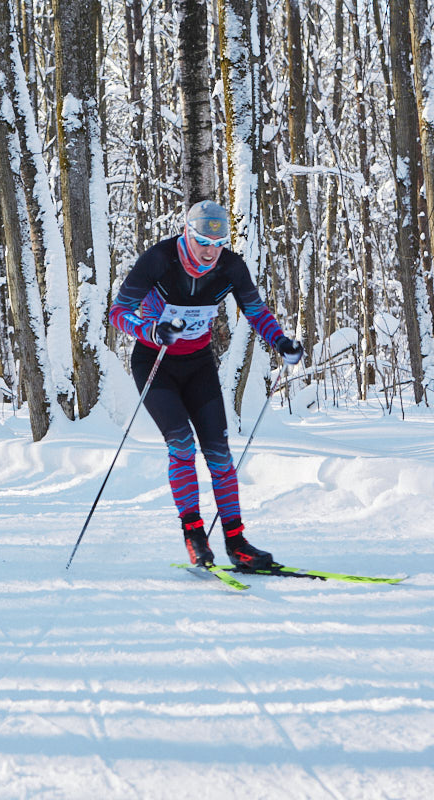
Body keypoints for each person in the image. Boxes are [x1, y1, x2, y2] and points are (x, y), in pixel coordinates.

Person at [108, 200, 304, 569]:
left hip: (198, 364)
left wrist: (281, 342)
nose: (211, 251)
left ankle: (237, 542)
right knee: (181, 443)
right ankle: (195, 534)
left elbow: (256, 311)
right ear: (187, 234)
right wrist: (150, 330)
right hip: (155, 363)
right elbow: (118, 312)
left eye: (218, 244)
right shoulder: (159, 259)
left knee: (219, 453)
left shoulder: (230, 266)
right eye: (203, 243)